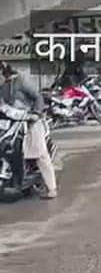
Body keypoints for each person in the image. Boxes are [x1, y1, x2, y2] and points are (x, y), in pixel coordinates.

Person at [0, 61, 57, 199]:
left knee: (40, 154)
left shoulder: (21, 81)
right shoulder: (3, 87)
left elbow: (38, 97)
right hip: (12, 123)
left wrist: (36, 113)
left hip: (31, 122)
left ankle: (52, 188)